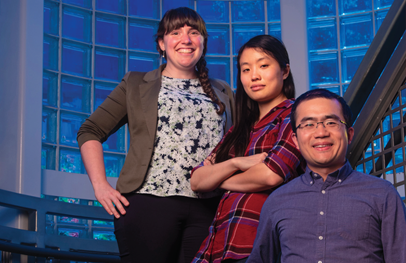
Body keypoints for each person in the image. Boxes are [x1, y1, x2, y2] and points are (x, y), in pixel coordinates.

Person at [77, 7, 234, 263]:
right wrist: (100, 186)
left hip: (210, 206)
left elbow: (237, 144)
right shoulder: (136, 83)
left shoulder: (223, 91)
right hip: (148, 202)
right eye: (176, 32)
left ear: (203, 42)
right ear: (161, 43)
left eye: (194, 32)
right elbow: (90, 131)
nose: (186, 39)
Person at [247, 89, 406, 263]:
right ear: (295, 140)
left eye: (331, 122)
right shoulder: (277, 200)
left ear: (349, 134)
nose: (321, 132)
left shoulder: (383, 194)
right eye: (308, 124)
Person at [190, 35, 305, 263]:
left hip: (261, 244)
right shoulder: (239, 129)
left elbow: (271, 175)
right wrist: (236, 163)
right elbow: (197, 180)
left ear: (284, 71)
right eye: (245, 69)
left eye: (263, 65)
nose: (254, 76)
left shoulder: (296, 115)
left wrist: (218, 180)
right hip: (219, 245)